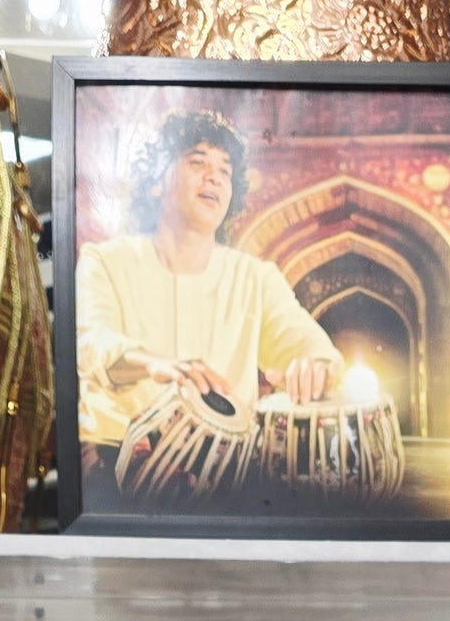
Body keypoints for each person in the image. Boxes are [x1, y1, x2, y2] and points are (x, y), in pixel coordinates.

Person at [74, 111, 339, 453]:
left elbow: (307, 343)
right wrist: (155, 364)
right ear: (156, 181)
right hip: (114, 457)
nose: (214, 177)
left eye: (225, 171)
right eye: (197, 162)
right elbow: (92, 343)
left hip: (225, 464)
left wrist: (316, 364)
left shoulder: (256, 278)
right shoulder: (105, 261)